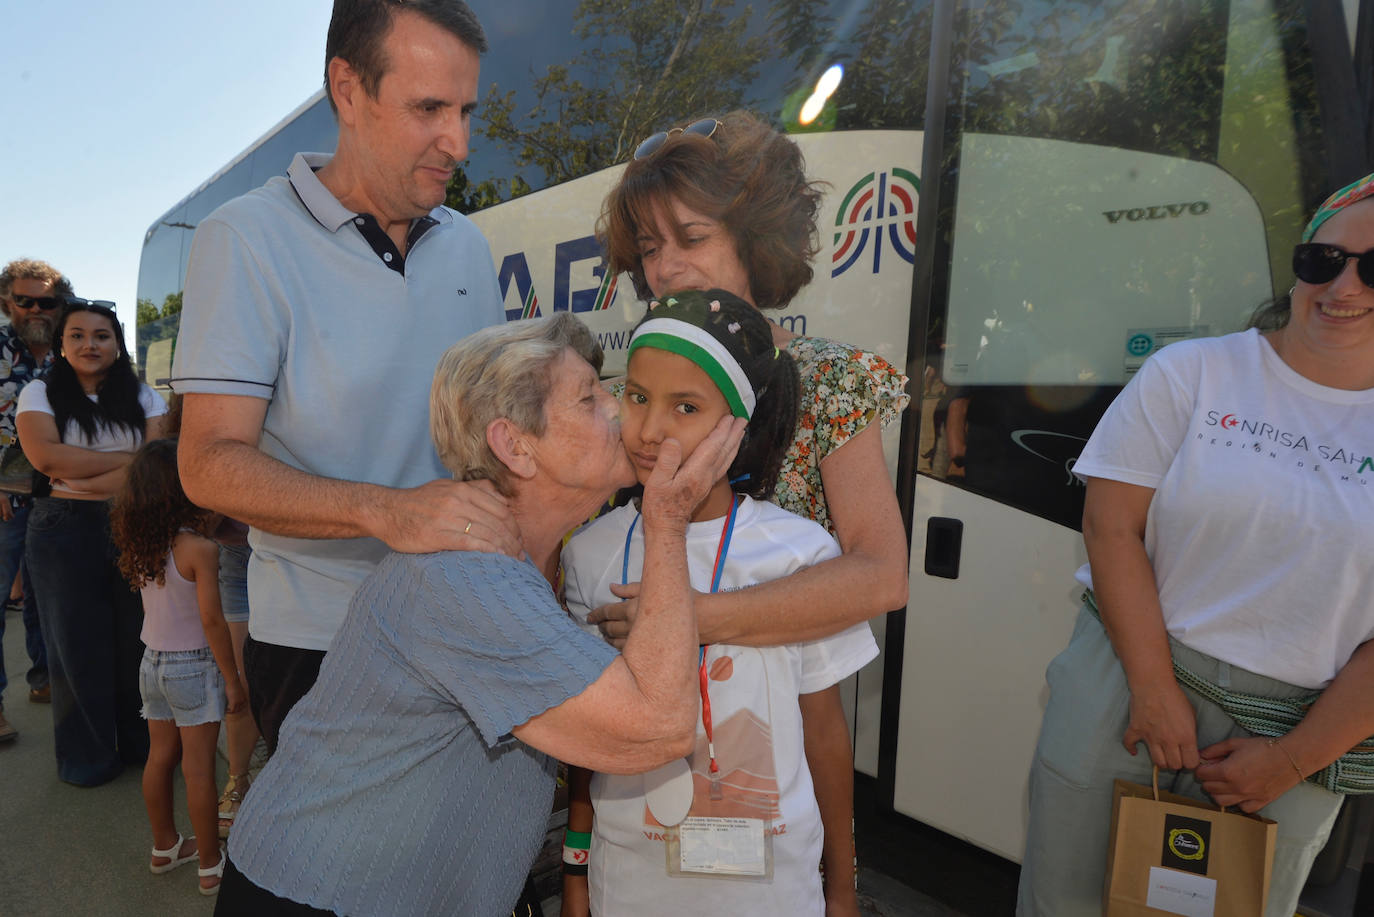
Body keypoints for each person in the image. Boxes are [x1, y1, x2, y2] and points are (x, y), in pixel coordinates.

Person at [213, 314, 744, 917]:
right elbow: (657, 729)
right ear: (514, 446)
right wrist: (668, 519)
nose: (619, 409)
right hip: (318, 896)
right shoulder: (466, 578)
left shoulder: (522, 561)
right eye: (591, 397)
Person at [1017, 172, 1374, 917]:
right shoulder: (1196, 371)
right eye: (1323, 260)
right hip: (1132, 673)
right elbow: (1111, 526)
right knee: (1067, 901)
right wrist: (1152, 691)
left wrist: (1293, 758)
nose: (1343, 286)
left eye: (1373, 267)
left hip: (1300, 725)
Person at [170, 0, 515, 759]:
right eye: (429, 108)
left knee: (461, 867)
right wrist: (387, 512)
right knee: (343, 877)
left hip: (463, 622)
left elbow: (489, 435)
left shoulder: (467, 244)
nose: (457, 142)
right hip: (321, 645)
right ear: (348, 91)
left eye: (465, 110)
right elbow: (206, 463)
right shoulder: (246, 238)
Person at [590, 110, 910, 911]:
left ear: (755, 237)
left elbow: (882, 573)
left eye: (689, 237)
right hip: (642, 782)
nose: (665, 268)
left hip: (787, 753)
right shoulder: (637, 379)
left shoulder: (828, 379)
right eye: (650, 249)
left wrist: (693, 616)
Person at [561, 290, 878, 915]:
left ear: (739, 423)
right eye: (637, 396)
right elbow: (583, 737)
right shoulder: (592, 552)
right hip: (631, 882)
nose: (651, 431)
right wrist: (575, 869)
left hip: (774, 888)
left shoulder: (800, 555)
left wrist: (841, 888)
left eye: (686, 406)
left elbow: (825, 734)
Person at [17, 300, 167, 785]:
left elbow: (159, 464)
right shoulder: (39, 393)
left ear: (117, 344)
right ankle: (87, 760)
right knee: (75, 648)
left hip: (136, 521)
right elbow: (46, 460)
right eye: (77, 335)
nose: (90, 344)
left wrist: (81, 471)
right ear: (61, 345)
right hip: (64, 527)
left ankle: (146, 749)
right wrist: (129, 464)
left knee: (139, 642)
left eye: (101, 336)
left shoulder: (143, 395)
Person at [110, 439, 246, 896]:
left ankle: (165, 846)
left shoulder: (141, 541)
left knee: (159, 758)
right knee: (199, 770)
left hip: (151, 663)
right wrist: (232, 678)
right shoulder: (199, 548)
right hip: (194, 667)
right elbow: (212, 620)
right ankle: (211, 864)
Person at [0, 258, 64, 743]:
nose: (36, 309)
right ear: (8, 302)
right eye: (25, 300)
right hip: (3, 499)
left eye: (47, 301)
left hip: (60, 495)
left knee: (50, 599)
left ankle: (46, 680)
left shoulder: (73, 348)